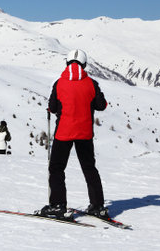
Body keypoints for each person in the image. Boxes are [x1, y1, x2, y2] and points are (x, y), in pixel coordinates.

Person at [40, 49, 109, 219]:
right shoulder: (91, 84)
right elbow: (101, 105)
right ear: (84, 64)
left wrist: (52, 107)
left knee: (56, 168)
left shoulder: (59, 83)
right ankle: (97, 206)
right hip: (84, 133)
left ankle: (58, 205)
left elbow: (54, 107)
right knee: (89, 168)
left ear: (67, 62)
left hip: (64, 132)